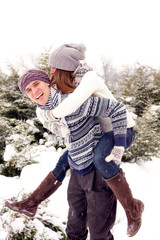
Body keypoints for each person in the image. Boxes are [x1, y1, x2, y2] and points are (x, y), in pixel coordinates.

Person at [5, 44, 144, 238]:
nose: (33, 91)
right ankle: (31, 203)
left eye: (36, 84)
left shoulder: (75, 101)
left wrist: (119, 144)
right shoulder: (44, 113)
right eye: (28, 90)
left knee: (99, 233)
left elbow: (116, 110)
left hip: (99, 168)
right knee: (74, 231)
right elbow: (62, 133)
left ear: (48, 82)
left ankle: (132, 207)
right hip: (78, 169)